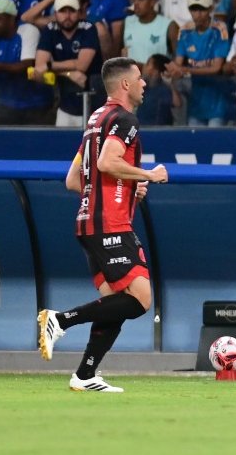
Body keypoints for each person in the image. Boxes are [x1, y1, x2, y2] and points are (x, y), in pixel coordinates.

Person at [37, 57, 169, 393]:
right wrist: (148, 175)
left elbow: (73, 179)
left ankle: (84, 375)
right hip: (110, 223)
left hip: (88, 222)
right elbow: (107, 161)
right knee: (140, 300)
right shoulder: (125, 119)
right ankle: (59, 320)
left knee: (114, 305)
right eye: (139, 78)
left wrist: (128, 186)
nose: (144, 84)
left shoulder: (96, 119)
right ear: (125, 84)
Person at [34, 0, 102, 127]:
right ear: (55, 14)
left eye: (71, 11)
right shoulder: (50, 30)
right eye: (62, 11)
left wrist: (50, 66)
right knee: (62, 145)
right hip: (65, 105)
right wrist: (69, 74)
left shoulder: (88, 29)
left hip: (94, 105)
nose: (67, 16)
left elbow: (81, 66)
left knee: (93, 146)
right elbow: (38, 70)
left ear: (80, 13)